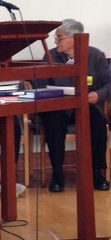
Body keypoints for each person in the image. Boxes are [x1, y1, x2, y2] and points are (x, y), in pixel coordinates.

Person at [36, 19, 111, 193]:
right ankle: (57, 174)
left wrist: (98, 95)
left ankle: (97, 173)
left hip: (85, 105)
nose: (56, 42)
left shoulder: (95, 56)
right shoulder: (51, 56)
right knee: (53, 123)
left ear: (75, 38)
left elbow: (109, 83)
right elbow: (38, 84)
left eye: (59, 38)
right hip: (58, 107)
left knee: (99, 123)